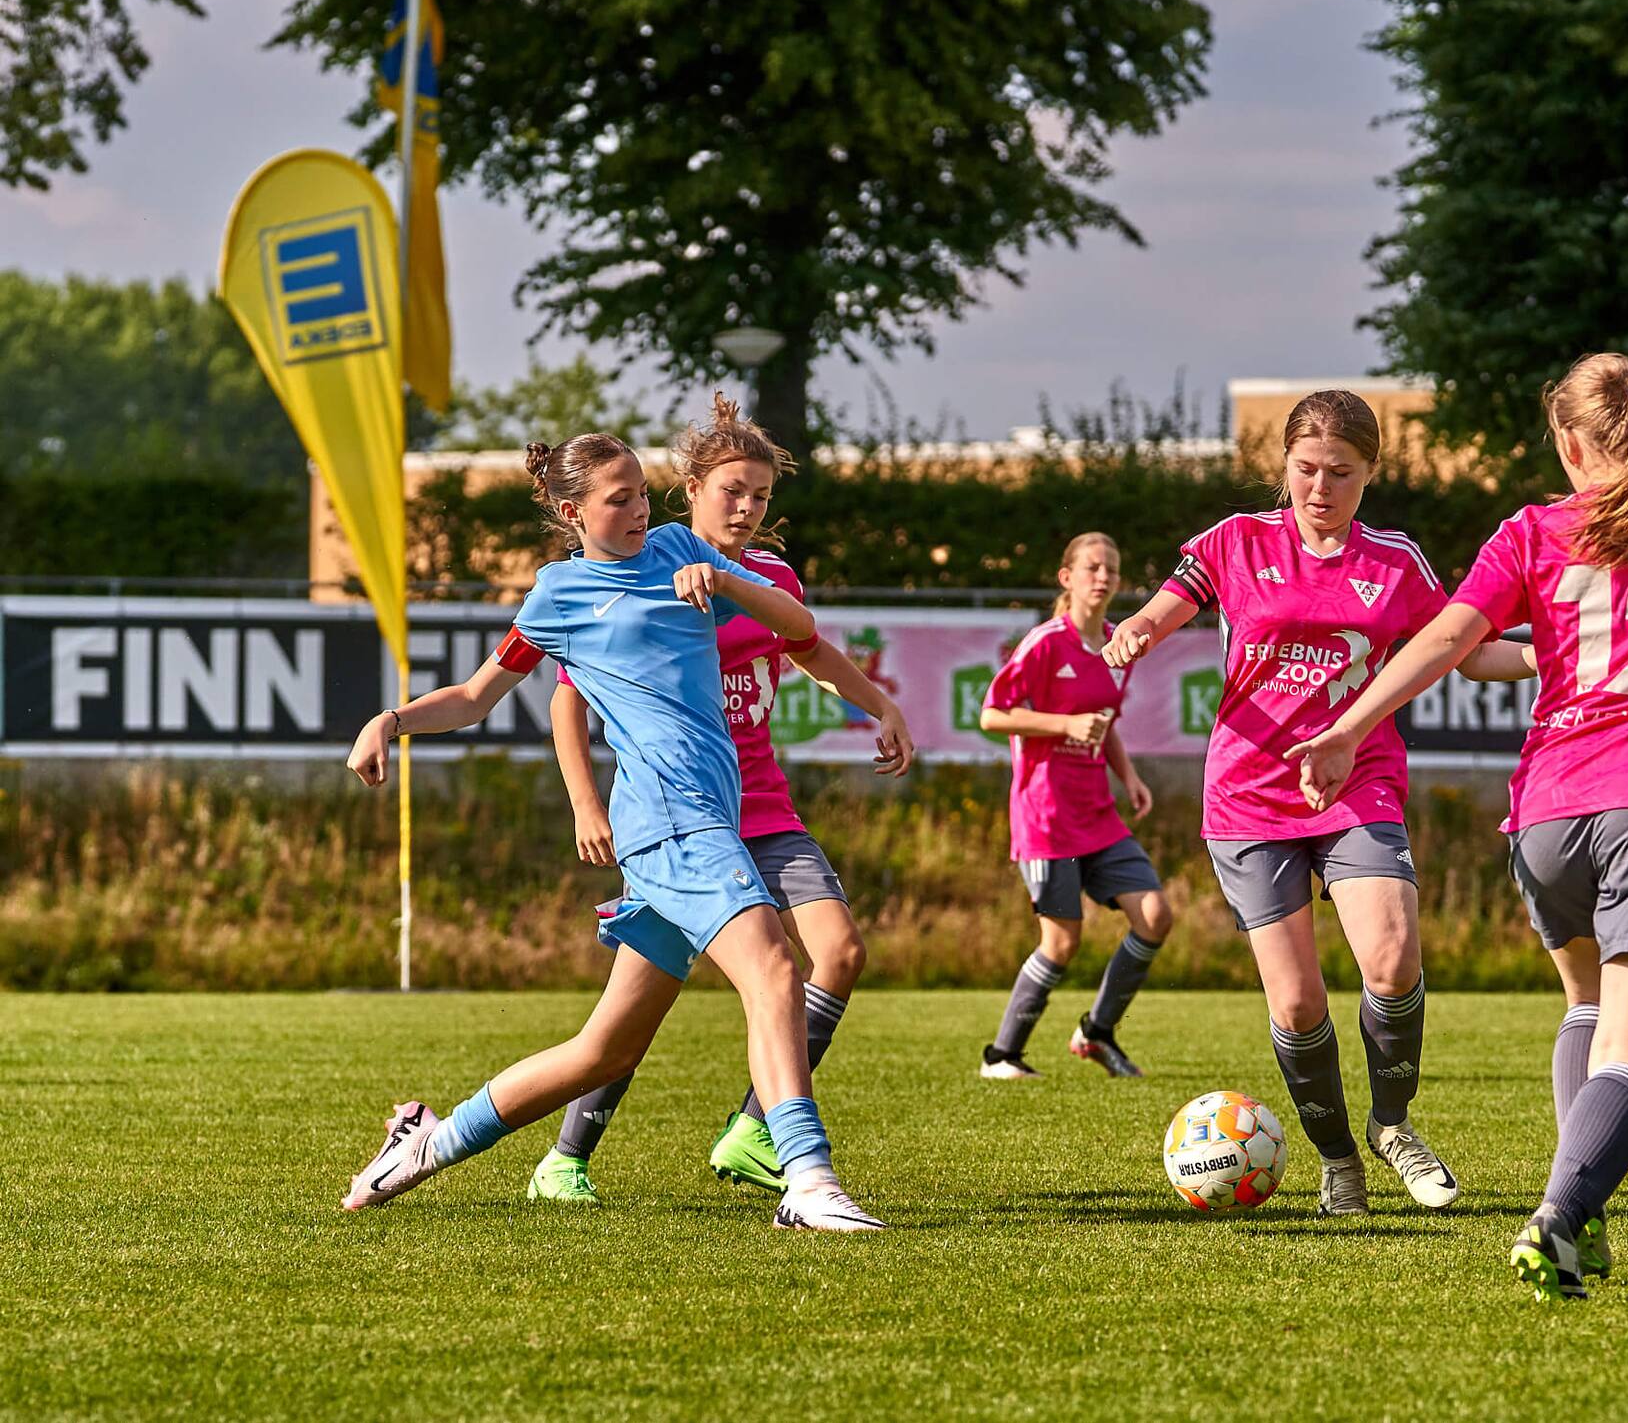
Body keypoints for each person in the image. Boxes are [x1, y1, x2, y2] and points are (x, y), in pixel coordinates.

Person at [1288, 355, 1628, 1299]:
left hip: (1548, 820)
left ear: (1572, 445)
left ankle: (1581, 1217)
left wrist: (1345, 726)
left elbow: (1447, 642)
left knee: (1585, 1005)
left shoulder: (1532, 532)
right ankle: (1557, 1216)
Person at [338, 428, 883, 1231]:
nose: (637, 509)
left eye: (639, 491)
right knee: (771, 969)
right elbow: (476, 697)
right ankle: (807, 1179)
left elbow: (796, 624)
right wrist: (389, 720)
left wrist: (726, 585)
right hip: (671, 823)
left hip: (704, 820)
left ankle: (425, 1142)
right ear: (571, 511)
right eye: (616, 498)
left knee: (604, 1053)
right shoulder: (557, 597)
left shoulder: (673, 549)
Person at [1104, 390, 1534, 1214]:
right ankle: (1339, 1159)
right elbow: (1168, 605)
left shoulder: (1396, 562)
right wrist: (1137, 632)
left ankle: (1393, 1124)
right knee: (1298, 1003)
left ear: (1371, 473)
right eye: (1305, 469)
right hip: (1249, 796)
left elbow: (1467, 655)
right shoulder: (1236, 541)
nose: (1320, 487)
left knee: (1393, 954)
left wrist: (1552, 653)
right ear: (1284, 467)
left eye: (1341, 472)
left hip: (1356, 781)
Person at [527, 395, 916, 1203]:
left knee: (839, 952)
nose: (747, 508)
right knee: (643, 1003)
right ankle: (568, 1153)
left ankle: (756, 1130)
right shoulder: (640, 571)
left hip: (761, 804)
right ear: (691, 490)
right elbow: (568, 697)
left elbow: (810, 648)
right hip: (677, 816)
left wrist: (879, 705)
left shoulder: (768, 577)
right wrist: (585, 804)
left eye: (762, 497)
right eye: (732, 490)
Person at [977, 533, 1174, 1081]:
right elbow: (993, 715)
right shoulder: (1044, 644)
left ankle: (1097, 1031)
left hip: (1098, 813)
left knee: (1155, 916)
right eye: (1092, 567)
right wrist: (1063, 724)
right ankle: (1003, 1056)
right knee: (1062, 943)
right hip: (1045, 816)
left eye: (1111, 568)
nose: (1104, 577)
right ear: (1067, 578)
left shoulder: (1118, 647)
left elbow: (1104, 723)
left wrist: (1128, 776)